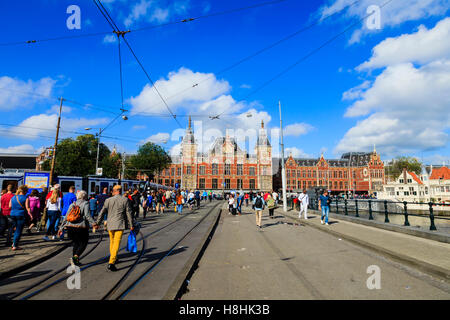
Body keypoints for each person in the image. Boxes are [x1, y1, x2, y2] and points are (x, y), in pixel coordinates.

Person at [95, 185, 134, 272]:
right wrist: (131, 224)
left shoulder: (108, 200)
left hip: (110, 224)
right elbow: (129, 213)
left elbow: (102, 212)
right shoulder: (125, 200)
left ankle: (114, 257)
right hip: (120, 224)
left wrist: (97, 223)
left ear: (114, 191)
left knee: (112, 242)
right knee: (116, 242)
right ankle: (111, 262)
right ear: (120, 191)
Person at [58, 190, 98, 266]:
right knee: (84, 243)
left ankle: (75, 261)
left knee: (76, 243)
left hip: (70, 227)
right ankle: (75, 257)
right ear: (85, 196)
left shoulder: (73, 204)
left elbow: (66, 217)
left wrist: (61, 228)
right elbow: (87, 215)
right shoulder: (85, 203)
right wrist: (93, 223)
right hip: (81, 227)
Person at [9, 185, 32, 250]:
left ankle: (14, 243)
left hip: (12, 214)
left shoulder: (13, 197)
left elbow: (9, 206)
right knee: (18, 230)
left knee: (15, 229)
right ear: (25, 191)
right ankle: (15, 245)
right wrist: (30, 215)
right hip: (21, 215)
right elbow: (28, 208)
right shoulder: (26, 198)